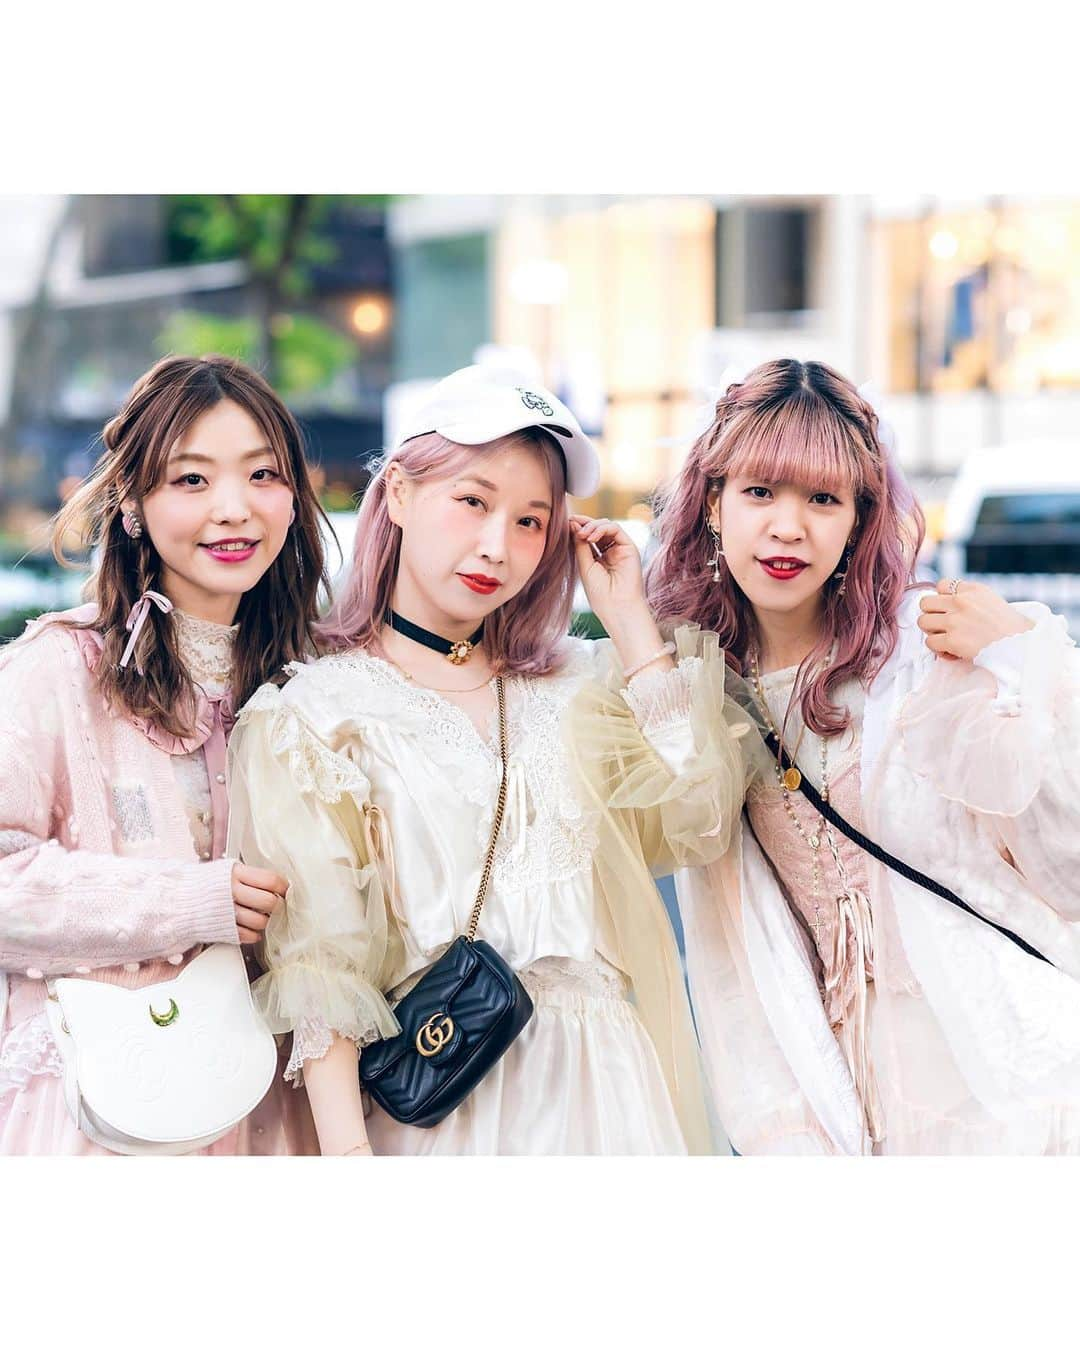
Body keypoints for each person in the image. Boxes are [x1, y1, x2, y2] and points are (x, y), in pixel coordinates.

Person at [226, 365, 751, 1155]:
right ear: (399, 494)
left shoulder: (582, 684)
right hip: (450, 1107)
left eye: (532, 521)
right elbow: (318, 971)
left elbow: (698, 812)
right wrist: (347, 1159)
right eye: (472, 501)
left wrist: (630, 622)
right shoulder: (317, 714)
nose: (498, 547)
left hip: (610, 1098)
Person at [645, 357, 1080, 1155]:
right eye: (759, 492)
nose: (788, 526)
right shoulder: (706, 694)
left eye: (822, 499)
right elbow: (730, 961)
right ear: (712, 503)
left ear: (858, 518)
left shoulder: (926, 654)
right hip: (850, 1107)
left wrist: (1024, 663)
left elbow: (1068, 859)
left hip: (1010, 1093)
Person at [0, 354, 327, 1155]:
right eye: (191, 480)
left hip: (267, 1111)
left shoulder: (318, 679)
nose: (234, 509)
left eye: (262, 475)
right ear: (135, 505)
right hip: (106, 1115)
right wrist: (193, 902)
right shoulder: (59, 667)